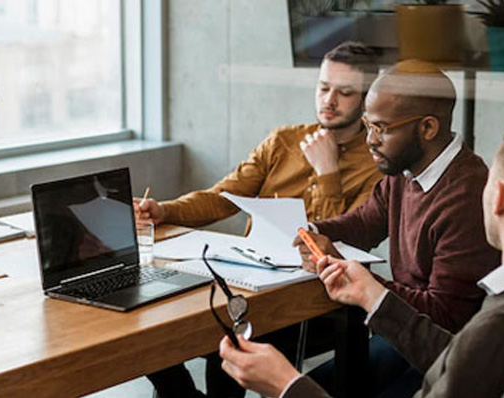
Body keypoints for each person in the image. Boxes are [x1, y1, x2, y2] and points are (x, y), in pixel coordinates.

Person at [219, 119, 504, 398]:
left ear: (498, 197)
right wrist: (373, 296)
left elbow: (476, 354)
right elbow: (466, 363)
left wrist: (286, 384)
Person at [137, 41, 384, 398]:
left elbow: (344, 245)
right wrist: (165, 210)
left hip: (314, 299)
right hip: (250, 279)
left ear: (365, 99)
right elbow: (223, 198)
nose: (329, 101)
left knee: (229, 335)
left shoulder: (376, 165)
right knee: (157, 325)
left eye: (344, 93)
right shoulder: (284, 140)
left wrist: (328, 173)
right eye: (323, 88)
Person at [291, 60, 500, 397]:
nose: (370, 141)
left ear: (428, 128)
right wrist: (310, 230)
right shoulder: (406, 171)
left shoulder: (467, 196)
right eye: (367, 126)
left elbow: (444, 318)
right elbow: (363, 223)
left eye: (381, 128)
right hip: (399, 332)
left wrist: (360, 280)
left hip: (441, 358)